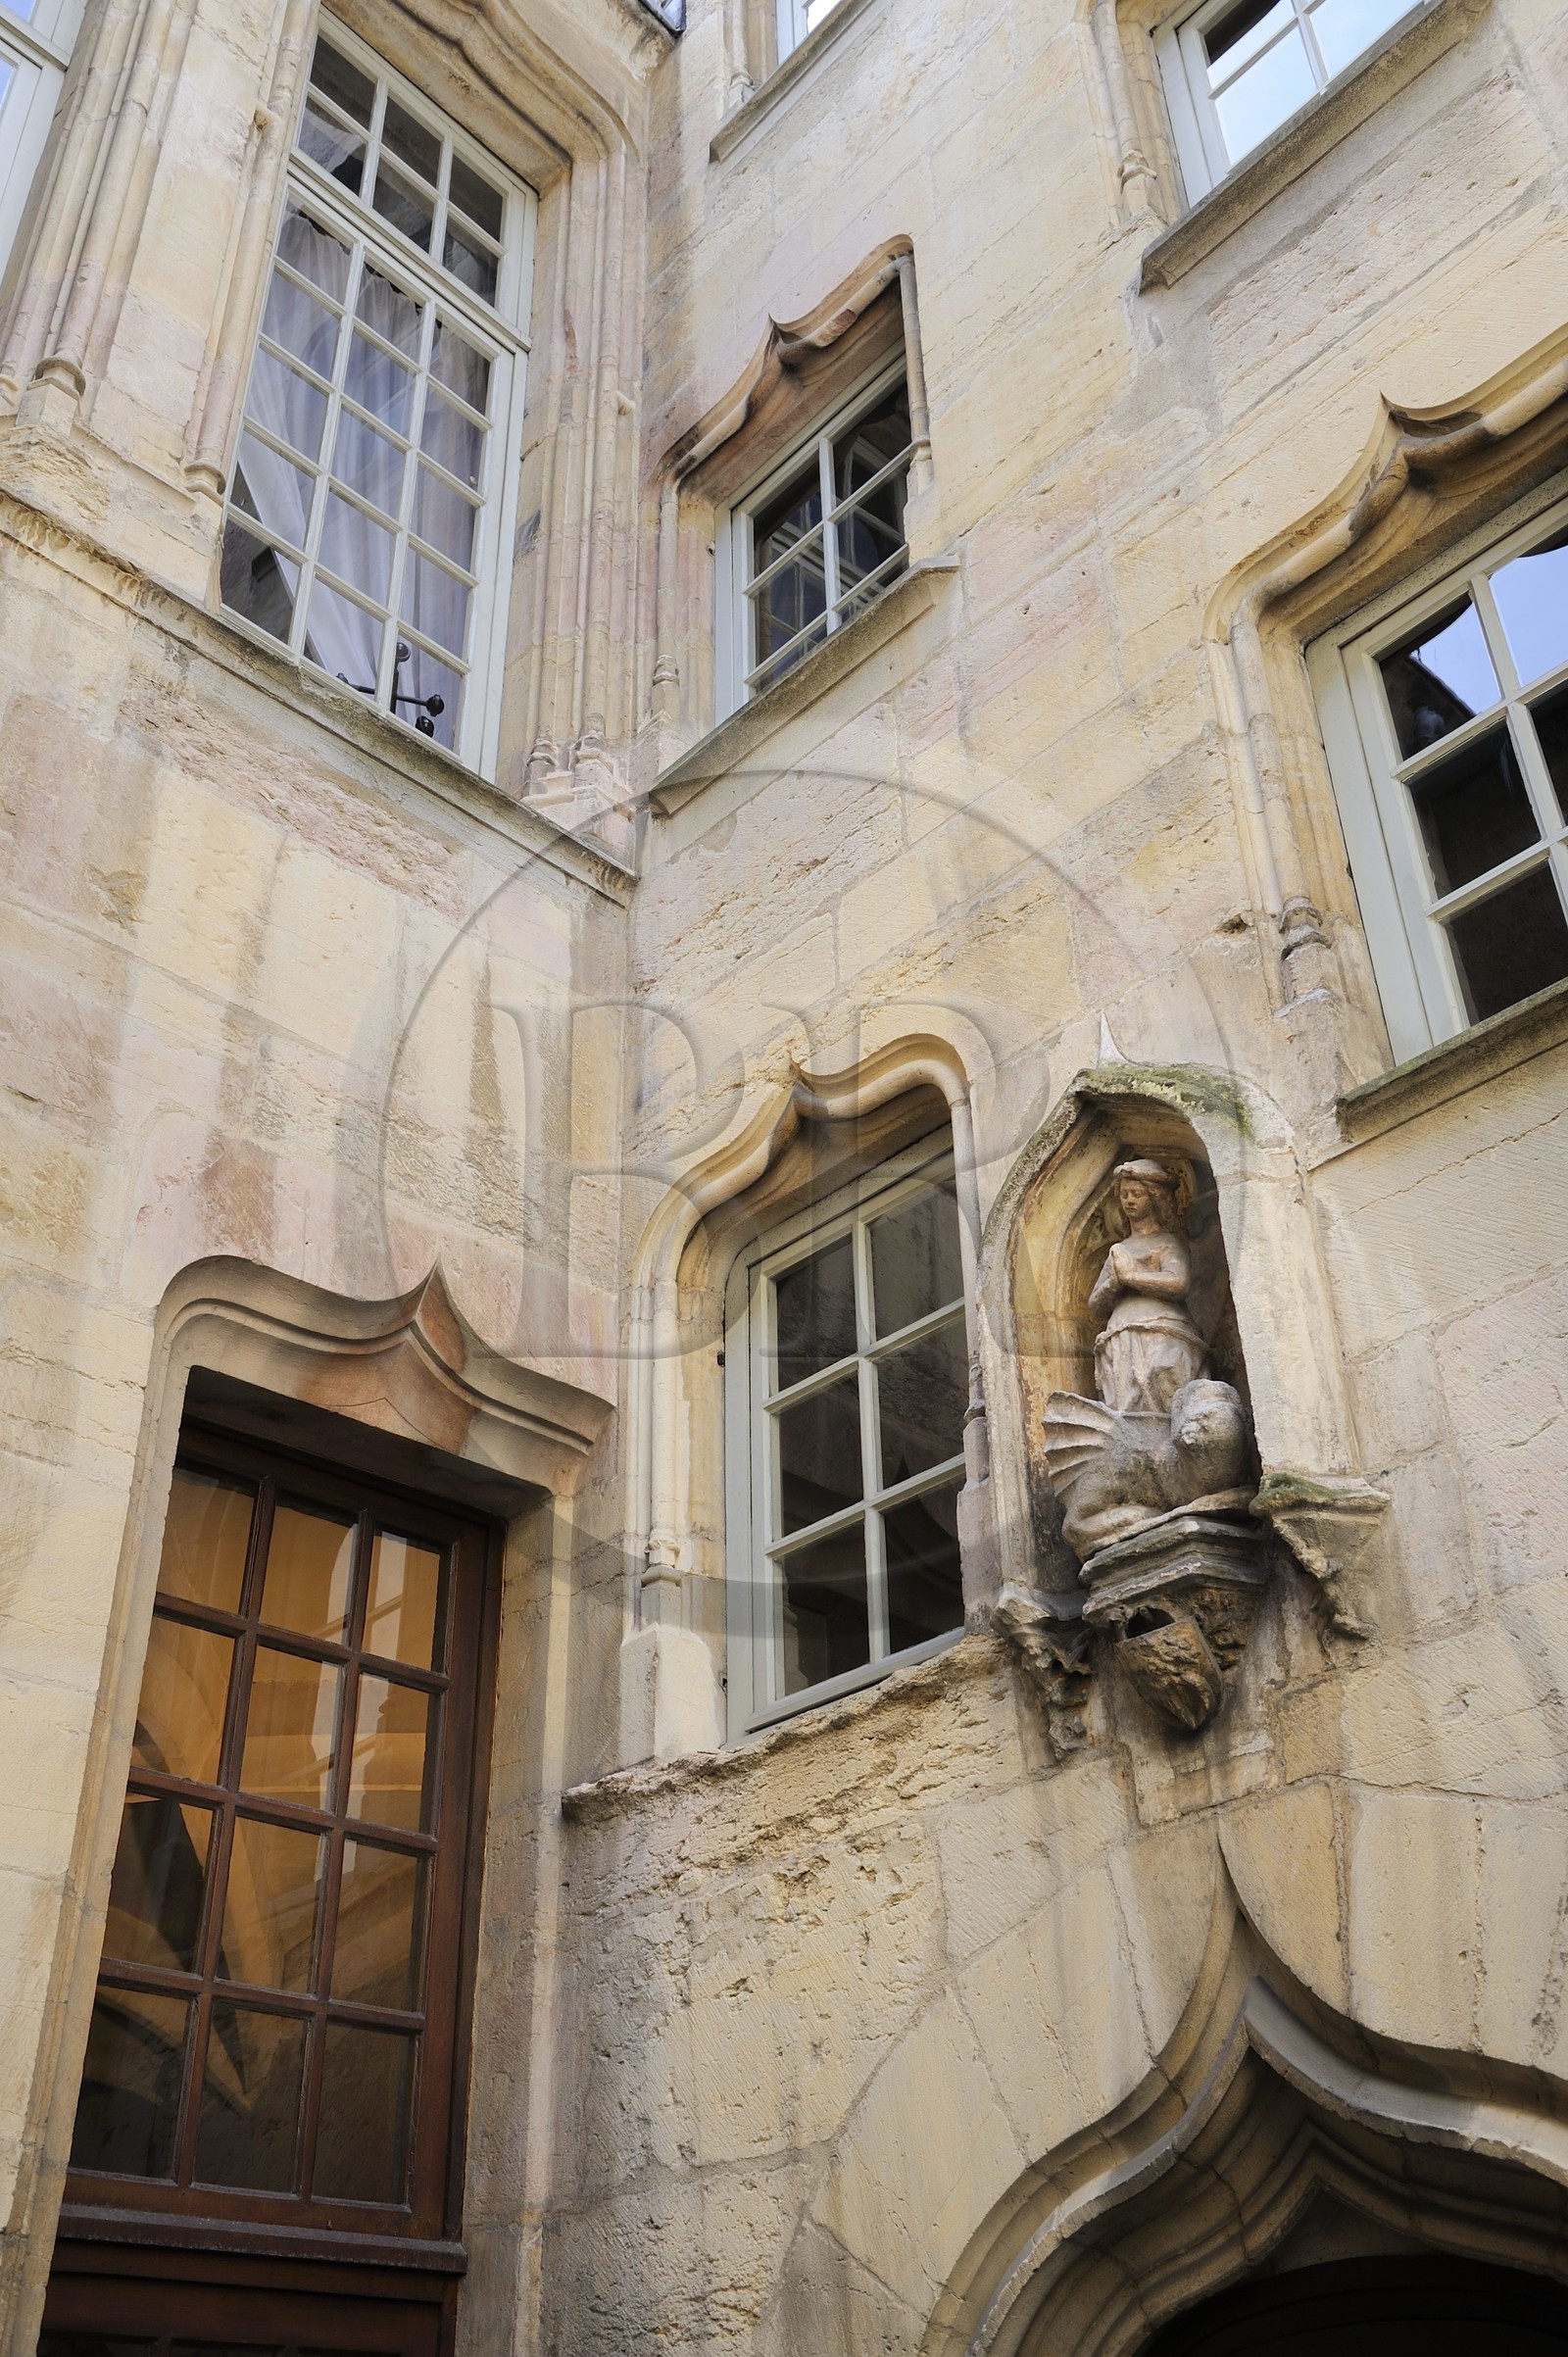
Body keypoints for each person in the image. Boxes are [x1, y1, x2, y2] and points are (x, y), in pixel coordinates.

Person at [1089, 1159, 1208, 1415]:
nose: (1129, 1200)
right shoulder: (1120, 1250)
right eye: (1124, 1195)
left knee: (1165, 1391)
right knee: (1126, 1408)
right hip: (1120, 1335)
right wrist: (1113, 1283)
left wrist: (1130, 1277)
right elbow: (1095, 1305)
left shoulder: (1166, 1242)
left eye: (1137, 1194)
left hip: (1163, 1330)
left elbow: (1178, 1282)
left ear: (1154, 1198)